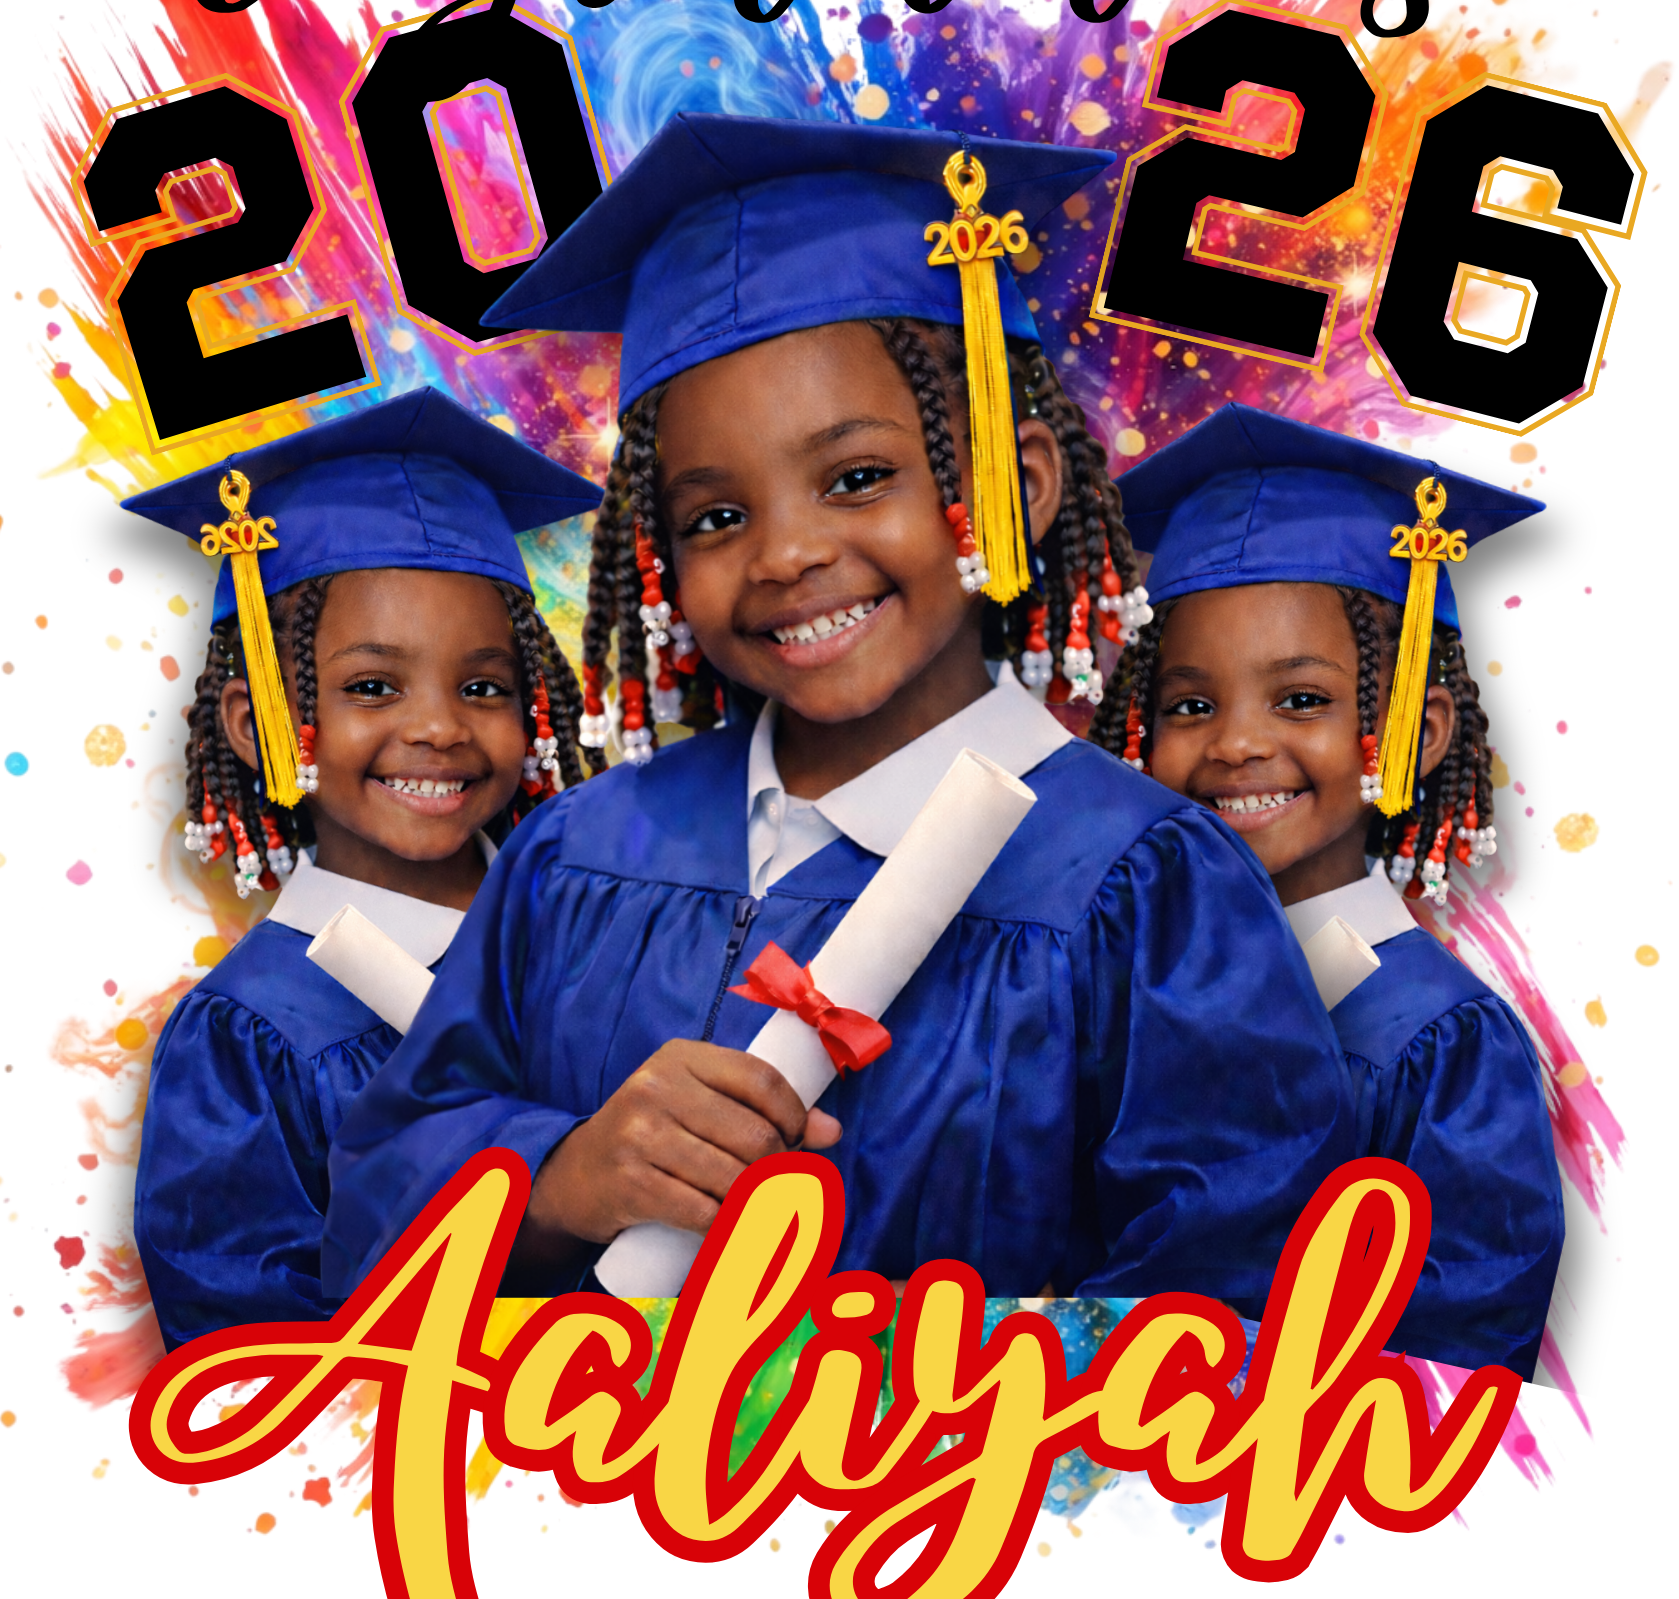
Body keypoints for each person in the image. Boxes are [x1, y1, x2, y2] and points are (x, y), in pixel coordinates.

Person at [324, 114, 1358, 1313]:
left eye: (857, 478)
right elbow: (374, 1203)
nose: (787, 554)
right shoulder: (579, 853)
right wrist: (559, 1181)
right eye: (715, 517)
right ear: (656, 559)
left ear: (1013, 487)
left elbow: (1242, 1322)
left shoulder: (1145, 888)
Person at [1091, 404, 1563, 1376]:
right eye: (1189, 705)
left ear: (1416, 734)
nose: (1234, 744)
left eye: (1301, 699)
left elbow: (1452, 1377)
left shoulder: (1440, 1049)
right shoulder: (1111, 996)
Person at [123, 388, 600, 1348]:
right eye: (372, 687)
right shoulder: (251, 1035)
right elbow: (245, 1370)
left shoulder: (605, 942)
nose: (437, 725)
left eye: (483, 687)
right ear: (257, 728)